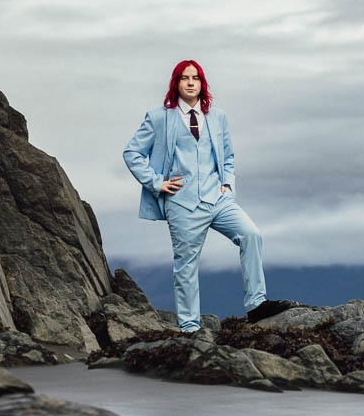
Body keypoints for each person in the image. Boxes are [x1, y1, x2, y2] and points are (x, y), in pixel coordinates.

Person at [123, 60, 290, 333]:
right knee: (186, 266)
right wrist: (157, 183)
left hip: (218, 198)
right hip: (182, 202)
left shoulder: (217, 117)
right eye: (185, 78)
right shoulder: (158, 118)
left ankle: (257, 305)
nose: (191, 82)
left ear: (202, 84)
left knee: (251, 234)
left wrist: (227, 185)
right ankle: (190, 327)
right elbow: (132, 153)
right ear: (176, 84)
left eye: (196, 78)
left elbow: (228, 157)